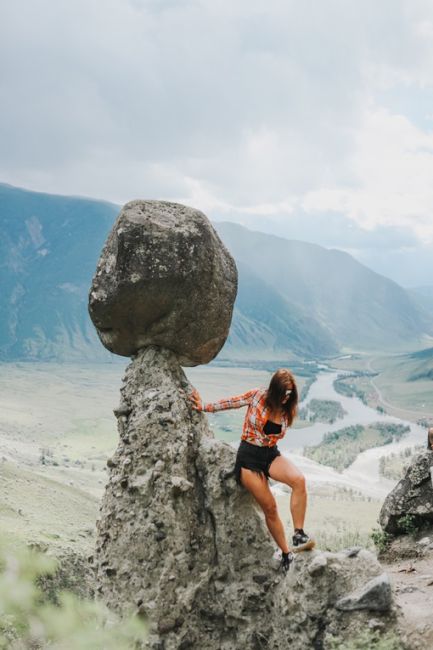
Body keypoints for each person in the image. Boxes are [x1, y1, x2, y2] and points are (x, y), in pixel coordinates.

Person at [189, 368, 315, 574]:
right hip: (249, 457)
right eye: (283, 392)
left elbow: (274, 438)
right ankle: (286, 554)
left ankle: (299, 533)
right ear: (274, 389)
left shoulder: (286, 409)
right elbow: (231, 402)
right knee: (271, 508)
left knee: (299, 480)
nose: (286, 397)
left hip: (270, 454)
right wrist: (203, 406)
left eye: (290, 393)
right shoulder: (258, 396)